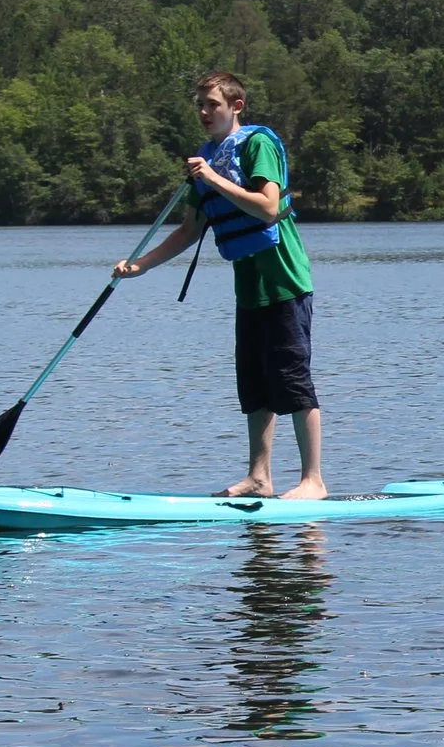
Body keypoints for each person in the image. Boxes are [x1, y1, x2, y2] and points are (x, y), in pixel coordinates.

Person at [115, 72, 325, 499]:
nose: (205, 112)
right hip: (249, 287)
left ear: (237, 106)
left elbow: (267, 208)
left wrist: (212, 178)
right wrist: (142, 266)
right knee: (253, 382)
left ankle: (313, 481)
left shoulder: (255, 146)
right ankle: (259, 477)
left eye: (213, 104)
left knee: (291, 378)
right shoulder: (205, 159)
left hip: (284, 279)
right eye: (201, 105)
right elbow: (189, 230)